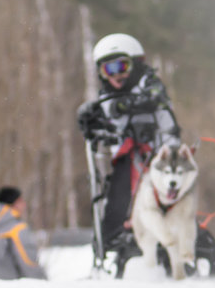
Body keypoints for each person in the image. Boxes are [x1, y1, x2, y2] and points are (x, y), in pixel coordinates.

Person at [76, 33, 181, 261]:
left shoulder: (148, 83)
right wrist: (91, 123)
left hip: (160, 159)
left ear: (135, 64)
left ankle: (167, 240)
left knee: (156, 195)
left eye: (122, 66)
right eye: (109, 69)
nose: (117, 76)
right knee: (117, 194)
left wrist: (124, 105)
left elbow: (155, 97)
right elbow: (107, 126)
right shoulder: (106, 98)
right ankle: (110, 240)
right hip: (127, 158)